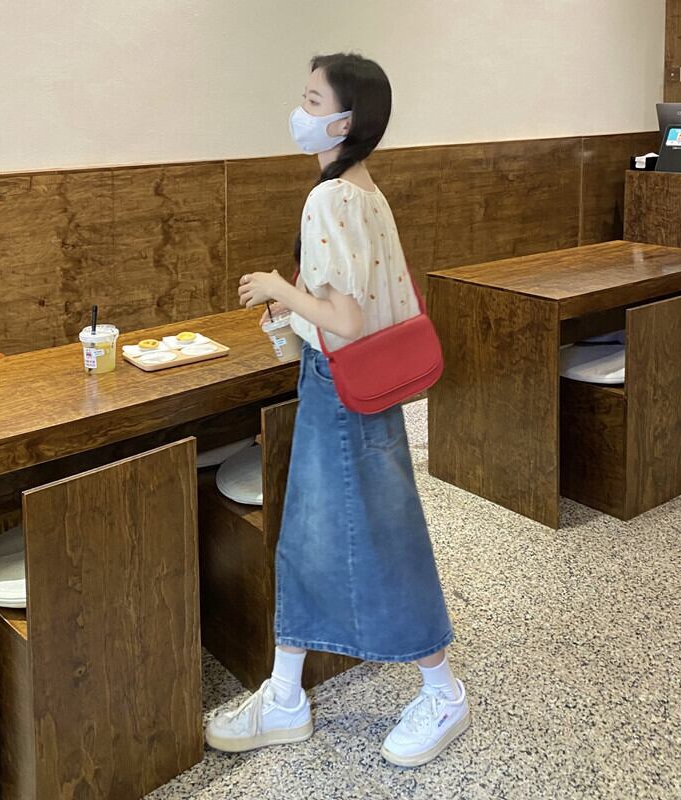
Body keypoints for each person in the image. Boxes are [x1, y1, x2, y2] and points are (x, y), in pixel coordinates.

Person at [206, 52, 470, 768]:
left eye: (313, 100)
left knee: (382, 539)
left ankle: (443, 691)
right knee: (308, 539)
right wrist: (296, 312)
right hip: (352, 389)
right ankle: (285, 694)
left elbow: (347, 319)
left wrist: (277, 288)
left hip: (342, 392)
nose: (301, 111)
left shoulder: (329, 199)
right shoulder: (364, 190)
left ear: (345, 122)